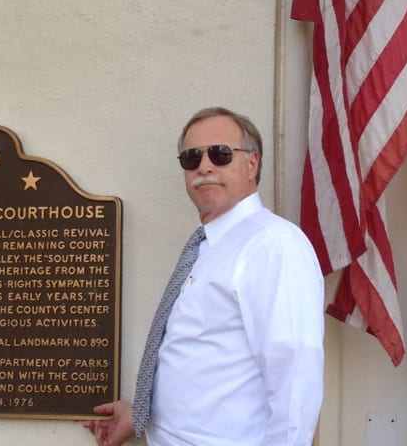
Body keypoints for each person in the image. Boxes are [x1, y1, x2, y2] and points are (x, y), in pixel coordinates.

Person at [83, 106, 324, 446]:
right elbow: (202, 358)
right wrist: (140, 415)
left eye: (221, 154)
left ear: (252, 164)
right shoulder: (207, 247)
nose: (205, 166)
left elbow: (296, 382)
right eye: (191, 158)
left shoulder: (272, 245)